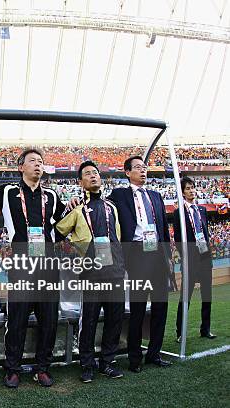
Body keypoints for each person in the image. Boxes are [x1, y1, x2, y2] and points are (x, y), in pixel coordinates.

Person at [0, 148, 70, 388]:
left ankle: (42, 368)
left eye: (41, 161)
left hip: (48, 264)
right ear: (21, 167)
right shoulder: (8, 191)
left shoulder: (51, 195)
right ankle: (12, 369)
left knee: (49, 319)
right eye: (32, 161)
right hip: (20, 265)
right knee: (17, 319)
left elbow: (64, 221)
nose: (38, 165)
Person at [56, 161, 125, 383]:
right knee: (90, 320)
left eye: (95, 173)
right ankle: (87, 364)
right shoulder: (76, 210)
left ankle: (108, 362)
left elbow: (118, 237)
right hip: (91, 273)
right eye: (87, 174)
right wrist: (77, 249)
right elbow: (58, 231)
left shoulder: (111, 207)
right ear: (80, 181)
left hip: (114, 272)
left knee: (115, 318)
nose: (93, 176)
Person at [107, 155, 172, 372]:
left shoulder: (155, 196)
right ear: (127, 172)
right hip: (136, 254)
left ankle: (154, 353)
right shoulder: (119, 194)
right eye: (137, 168)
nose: (143, 171)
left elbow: (163, 228)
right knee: (137, 308)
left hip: (157, 255)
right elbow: (100, 205)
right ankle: (135, 358)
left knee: (161, 307)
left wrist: (168, 257)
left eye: (144, 168)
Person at [174, 176, 215, 342]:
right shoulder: (179, 213)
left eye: (193, 188)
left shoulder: (202, 210)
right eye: (188, 188)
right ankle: (180, 332)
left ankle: (205, 329)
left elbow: (204, 234)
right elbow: (177, 239)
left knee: (207, 295)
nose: (191, 191)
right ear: (183, 192)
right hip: (190, 260)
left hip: (205, 258)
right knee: (186, 296)